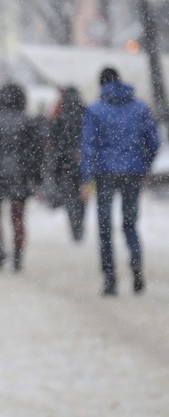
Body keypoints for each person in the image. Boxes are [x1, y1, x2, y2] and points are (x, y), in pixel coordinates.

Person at [80, 66, 159, 296]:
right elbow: (153, 142)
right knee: (130, 223)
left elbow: (89, 147)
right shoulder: (140, 108)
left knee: (105, 227)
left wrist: (86, 178)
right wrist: (145, 164)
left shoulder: (95, 110)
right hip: (133, 172)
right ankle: (135, 265)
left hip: (105, 174)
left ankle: (110, 278)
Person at [0, 81, 43, 272]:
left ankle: (0, 249)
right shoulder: (28, 121)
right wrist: (36, 176)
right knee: (18, 217)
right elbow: (35, 152)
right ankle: (18, 256)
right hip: (19, 175)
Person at [46, 87, 87, 242]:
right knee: (82, 194)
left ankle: (75, 226)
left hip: (64, 161)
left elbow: (52, 136)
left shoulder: (59, 111)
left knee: (70, 195)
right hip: (82, 160)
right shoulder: (84, 111)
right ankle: (80, 223)